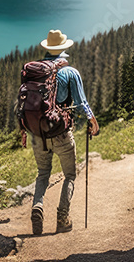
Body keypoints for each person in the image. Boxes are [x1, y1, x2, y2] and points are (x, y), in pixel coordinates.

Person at [26, 29, 99, 235]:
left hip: (38, 134)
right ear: (64, 49)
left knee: (42, 174)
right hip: (60, 132)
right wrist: (92, 121)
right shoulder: (70, 72)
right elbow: (81, 102)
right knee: (69, 174)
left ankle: (37, 206)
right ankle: (62, 218)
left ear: (47, 49)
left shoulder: (36, 72)